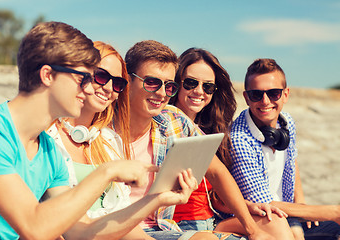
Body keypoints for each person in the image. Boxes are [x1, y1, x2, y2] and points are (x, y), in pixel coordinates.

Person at [0, 21, 169, 239]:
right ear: (48, 75)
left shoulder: (49, 152)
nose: (89, 89)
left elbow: (82, 232)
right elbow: (33, 227)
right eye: (83, 79)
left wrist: (156, 200)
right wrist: (107, 171)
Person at [124, 40, 294, 240]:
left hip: (189, 224)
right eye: (190, 83)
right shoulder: (108, 132)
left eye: (208, 87)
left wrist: (251, 223)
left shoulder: (180, 123)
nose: (161, 92)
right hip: (164, 227)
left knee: (273, 224)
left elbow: (216, 176)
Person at [47, 41, 199, 240]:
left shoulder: (109, 141)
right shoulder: (47, 139)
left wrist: (159, 200)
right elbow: (77, 231)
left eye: (118, 84)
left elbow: (122, 220)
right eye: (101, 76)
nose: (109, 88)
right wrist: (108, 172)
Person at [230, 58, 340, 240]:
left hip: (287, 212)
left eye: (273, 93)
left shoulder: (286, 122)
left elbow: (292, 160)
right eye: (256, 94)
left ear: (286, 94)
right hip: (260, 219)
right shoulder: (239, 140)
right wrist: (332, 211)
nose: (265, 101)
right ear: (246, 97)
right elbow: (264, 205)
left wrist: (301, 204)